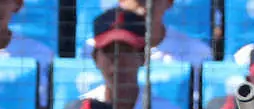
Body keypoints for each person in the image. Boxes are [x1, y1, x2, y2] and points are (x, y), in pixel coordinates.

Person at [82, 9, 195, 109]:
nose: (118, 61)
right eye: (109, 50)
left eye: (126, 50)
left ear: (143, 57)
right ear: (95, 58)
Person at [79, 0, 212, 64]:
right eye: (140, 0)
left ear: (169, 2)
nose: (146, 6)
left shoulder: (198, 52)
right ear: (121, 1)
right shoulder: (92, 49)